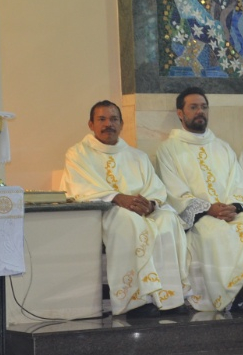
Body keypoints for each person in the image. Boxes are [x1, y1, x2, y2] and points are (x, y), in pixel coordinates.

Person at [62, 101, 189, 318]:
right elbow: (80, 189)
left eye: (113, 119)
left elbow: (155, 188)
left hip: (142, 210)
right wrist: (119, 198)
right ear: (91, 124)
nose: (108, 124)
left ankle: (169, 298)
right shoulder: (77, 154)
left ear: (121, 124)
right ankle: (135, 300)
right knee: (129, 221)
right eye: (102, 119)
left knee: (168, 219)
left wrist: (150, 204)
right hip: (105, 211)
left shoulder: (136, 156)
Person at [156, 87, 243, 313]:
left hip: (229, 213)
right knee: (213, 234)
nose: (201, 111)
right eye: (194, 107)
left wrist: (233, 207)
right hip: (200, 217)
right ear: (180, 113)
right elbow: (173, 190)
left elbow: (238, 182)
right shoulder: (168, 149)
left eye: (204, 107)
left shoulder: (222, 147)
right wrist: (209, 210)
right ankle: (232, 295)